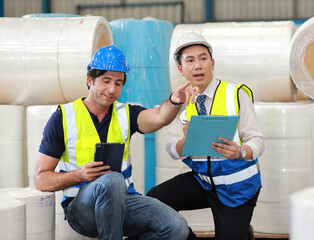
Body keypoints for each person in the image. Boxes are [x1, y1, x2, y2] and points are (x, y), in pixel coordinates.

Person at [34, 45, 199, 240]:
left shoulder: (126, 113)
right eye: (106, 81)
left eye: (118, 83)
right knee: (112, 179)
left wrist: (174, 100)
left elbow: (159, 118)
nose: (112, 89)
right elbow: (41, 179)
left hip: (125, 201)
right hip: (82, 209)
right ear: (90, 80)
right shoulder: (64, 117)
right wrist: (80, 174)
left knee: (176, 227)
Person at [147, 32, 265, 240]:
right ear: (181, 69)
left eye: (203, 59)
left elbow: (257, 141)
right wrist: (186, 141)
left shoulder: (236, 94)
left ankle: (242, 232)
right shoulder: (179, 103)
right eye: (190, 61)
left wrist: (240, 151)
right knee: (154, 201)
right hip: (203, 181)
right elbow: (172, 148)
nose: (198, 66)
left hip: (237, 188)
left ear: (212, 63)